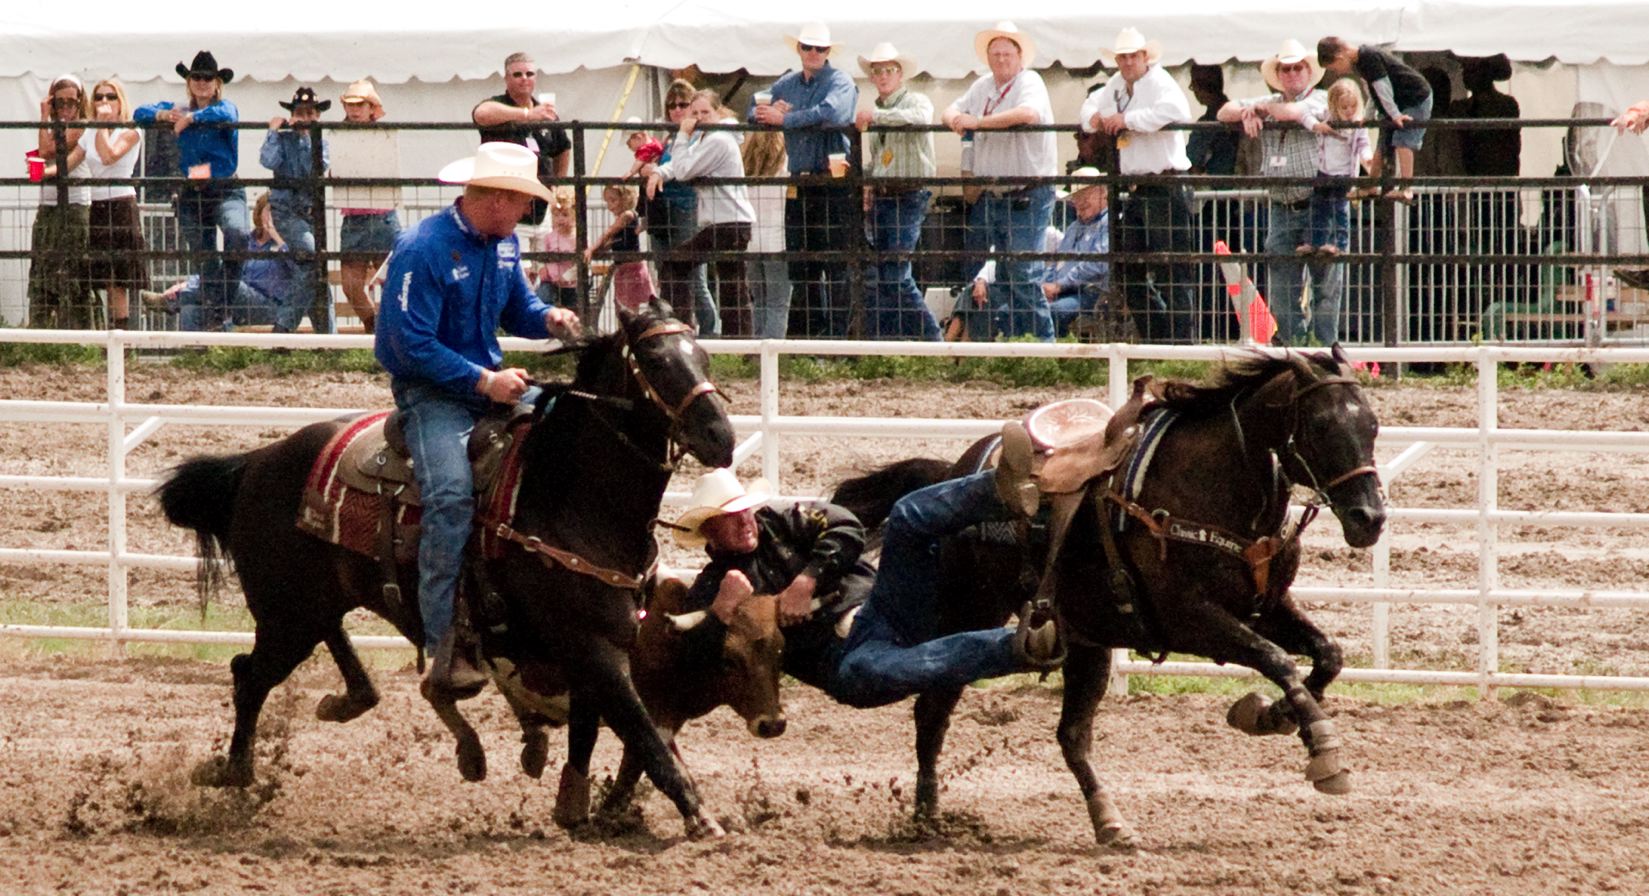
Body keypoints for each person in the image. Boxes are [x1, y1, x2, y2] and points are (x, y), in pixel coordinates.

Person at [374, 143, 583, 693]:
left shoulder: (504, 244)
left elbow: (520, 309)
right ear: (494, 198)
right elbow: (406, 342)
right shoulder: (423, 248)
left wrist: (550, 318)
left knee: (571, 429)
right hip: (433, 396)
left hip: (486, 388)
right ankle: (442, 639)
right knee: (449, 495)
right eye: (520, 202)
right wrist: (483, 381)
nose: (524, 214)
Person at [668, 469, 872, 691]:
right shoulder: (711, 586)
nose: (744, 521)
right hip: (832, 657)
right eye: (729, 516)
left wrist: (807, 579)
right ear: (709, 530)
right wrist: (721, 610)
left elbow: (846, 525)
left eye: (745, 510)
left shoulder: (782, 522)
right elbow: (694, 661)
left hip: (869, 603)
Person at [1216, 38, 1345, 346]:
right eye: (1285, 69)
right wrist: (1251, 109)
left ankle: (1326, 350)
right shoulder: (1271, 101)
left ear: (1307, 71)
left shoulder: (1323, 100)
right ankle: (1293, 348)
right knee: (1282, 287)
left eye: (1297, 68)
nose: (1291, 74)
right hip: (1282, 204)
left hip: (1318, 202)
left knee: (1325, 283)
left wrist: (1259, 109)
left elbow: (1293, 112)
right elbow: (1224, 111)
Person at [941, 21, 1058, 342]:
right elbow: (950, 109)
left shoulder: (1030, 81)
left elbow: (1029, 114)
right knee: (1004, 273)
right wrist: (955, 119)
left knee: (1021, 272)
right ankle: (1018, 343)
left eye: (1007, 53)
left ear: (1019, 57)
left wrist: (977, 123)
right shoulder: (983, 86)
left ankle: (1042, 346)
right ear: (988, 58)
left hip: (1026, 192)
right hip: (995, 193)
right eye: (996, 54)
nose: (1001, 59)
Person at [1081, 27, 1196, 344]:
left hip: (1165, 183)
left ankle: (1181, 344)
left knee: (1173, 271)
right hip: (1137, 188)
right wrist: (1101, 118)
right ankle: (1160, 337)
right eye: (1124, 56)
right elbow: (1090, 107)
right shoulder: (1116, 85)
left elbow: (1176, 111)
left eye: (1134, 56)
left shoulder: (1160, 82)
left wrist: (1126, 119)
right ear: (1117, 60)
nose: (1129, 61)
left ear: (1145, 57)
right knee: (1125, 267)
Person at [750, 22, 858, 338]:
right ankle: (813, 336)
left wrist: (783, 118)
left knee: (835, 264)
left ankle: (837, 340)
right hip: (801, 181)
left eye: (819, 48)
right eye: (808, 47)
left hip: (832, 181)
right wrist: (765, 113)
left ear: (827, 52)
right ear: (799, 49)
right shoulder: (788, 83)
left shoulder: (840, 80)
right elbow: (753, 104)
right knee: (803, 263)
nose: (813, 53)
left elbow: (833, 113)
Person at [134, 51, 248, 334]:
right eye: (196, 77)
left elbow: (228, 113)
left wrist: (193, 118)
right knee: (205, 255)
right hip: (194, 190)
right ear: (189, 81)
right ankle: (216, 314)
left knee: (237, 234)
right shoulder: (179, 108)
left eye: (207, 77)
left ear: (217, 82)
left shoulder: (223, 108)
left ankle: (216, 307)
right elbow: (139, 113)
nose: (202, 82)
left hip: (223, 187)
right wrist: (163, 114)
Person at [646, 89, 755, 335]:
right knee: (732, 283)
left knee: (677, 262)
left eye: (705, 112)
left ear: (718, 113)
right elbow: (680, 163)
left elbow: (684, 170)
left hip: (726, 222)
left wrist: (683, 136)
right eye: (694, 112)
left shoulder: (717, 140)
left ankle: (680, 328)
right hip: (729, 222)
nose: (699, 117)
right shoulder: (710, 137)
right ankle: (739, 342)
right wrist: (660, 172)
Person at [856, 41, 941, 341]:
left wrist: (874, 118)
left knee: (895, 274)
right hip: (885, 194)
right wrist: (869, 180)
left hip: (908, 193)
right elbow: (879, 157)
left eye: (888, 70)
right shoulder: (878, 111)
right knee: (887, 275)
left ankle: (932, 341)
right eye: (877, 71)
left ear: (900, 74)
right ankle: (900, 342)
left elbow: (919, 118)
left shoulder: (915, 101)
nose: (882, 76)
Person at [142, 191, 296, 331]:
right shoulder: (248, 241)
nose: (274, 217)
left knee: (233, 284)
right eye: (270, 211)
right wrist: (187, 284)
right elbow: (223, 271)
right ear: (260, 212)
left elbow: (299, 267)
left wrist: (277, 236)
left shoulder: (289, 243)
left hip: (267, 307)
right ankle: (194, 356)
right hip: (232, 300)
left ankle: (170, 301)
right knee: (191, 311)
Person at [1317, 37, 1432, 204]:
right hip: (1397, 103)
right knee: (1382, 144)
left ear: (1340, 57)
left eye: (1335, 69)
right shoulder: (1360, 63)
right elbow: (1373, 92)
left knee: (1403, 141)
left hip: (1415, 98)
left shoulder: (1368, 58)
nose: (1338, 73)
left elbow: (1382, 88)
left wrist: (1394, 115)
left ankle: (1406, 188)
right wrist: (1369, 115)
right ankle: (1371, 185)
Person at [261, 86, 332, 333]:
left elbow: (315, 168)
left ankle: (327, 337)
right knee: (313, 261)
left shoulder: (320, 140)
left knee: (314, 267)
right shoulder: (282, 138)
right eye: (300, 113)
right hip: (287, 211)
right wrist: (273, 131)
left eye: (310, 113)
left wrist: (304, 138)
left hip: (312, 214)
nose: (305, 118)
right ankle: (284, 326)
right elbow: (268, 161)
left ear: (317, 116)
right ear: (292, 114)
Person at [471, 51, 570, 226]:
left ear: (536, 77)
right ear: (506, 79)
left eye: (529, 74)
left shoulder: (545, 112)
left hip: (541, 209)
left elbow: (563, 147)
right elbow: (481, 113)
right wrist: (527, 114)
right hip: (506, 210)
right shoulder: (499, 104)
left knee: (544, 253)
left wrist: (559, 183)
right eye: (517, 74)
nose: (524, 78)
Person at [652, 79, 718, 335]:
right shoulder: (669, 137)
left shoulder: (697, 137)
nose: (677, 110)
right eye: (672, 105)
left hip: (688, 207)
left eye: (683, 105)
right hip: (663, 209)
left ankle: (712, 331)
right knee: (665, 273)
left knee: (694, 276)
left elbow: (682, 167)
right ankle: (672, 327)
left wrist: (659, 171)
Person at [335, 79, 401, 333]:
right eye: (350, 105)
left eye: (359, 104)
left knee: (392, 280)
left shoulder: (384, 135)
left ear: (370, 107)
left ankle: (387, 329)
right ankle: (375, 326)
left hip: (381, 214)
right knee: (351, 285)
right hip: (355, 216)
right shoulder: (338, 135)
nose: (354, 110)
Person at [80, 78, 145, 331]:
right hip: (97, 204)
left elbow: (108, 156)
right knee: (105, 278)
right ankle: (108, 336)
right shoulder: (90, 131)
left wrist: (103, 125)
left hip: (120, 204)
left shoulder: (130, 130)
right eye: (98, 97)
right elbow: (73, 160)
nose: (104, 102)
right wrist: (41, 172)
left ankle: (122, 340)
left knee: (119, 279)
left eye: (110, 96)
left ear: (121, 102)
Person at [28, 75, 92, 329]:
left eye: (71, 102)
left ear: (79, 102)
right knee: (43, 263)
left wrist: (45, 120)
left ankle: (77, 331)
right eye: (59, 102)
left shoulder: (83, 124)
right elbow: (44, 150)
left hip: (75, 203)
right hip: (49, 202)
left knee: (75, 264)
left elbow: (48, 150)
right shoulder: (51, 126)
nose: (65, 107)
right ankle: (41, 329)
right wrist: (45, 117)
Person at [1043, 170, 1111, 337]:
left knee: (1053, 312)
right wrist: (1046, 285)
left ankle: (1054, 358)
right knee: (1022, 308)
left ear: (1102, 193)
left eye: (1085, 195)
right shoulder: (1074, 227)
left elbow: (1097, 264)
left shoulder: (1109, 223)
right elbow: (1057, 262)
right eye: (1076, 197)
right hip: (1064, 291)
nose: (1080, 202)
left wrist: (1059, 286)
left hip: (1093, 293)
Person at [1305, 80, 1369, 257]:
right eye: (1344, 107)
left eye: (1352, 107)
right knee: (1318, 208)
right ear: (1334, 106)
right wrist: (1317, 125)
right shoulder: (1326, 117)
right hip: (1324, 170)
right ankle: (1315, 242)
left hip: (1344, 174)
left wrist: (1367, 157)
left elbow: (1363, 143)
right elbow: (1305, 114)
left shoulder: (1357, 125)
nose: (1349, 111)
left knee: (1339, 209)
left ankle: (1339, 244)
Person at [740, 128, 793, 339]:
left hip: (752, 242)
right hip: (777, 240)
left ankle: (757, 346)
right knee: (778, 303)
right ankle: (773, 351)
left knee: (759, 300)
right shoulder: (785, 165)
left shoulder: (746, 168)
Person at [586, 183, 656, 312]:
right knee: (620, 305)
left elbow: (609, 232)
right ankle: (625, 330)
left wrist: (591, 248)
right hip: (622, 267)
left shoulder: (627, 215)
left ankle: (629, 330)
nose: (609, 206)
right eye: (607, 202)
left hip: (632, 267)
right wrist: (599, 250)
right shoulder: (621, 219)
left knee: (629, 306)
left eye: (613, 200)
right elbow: (611, 242)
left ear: (625, 199)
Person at [1186, 64, 1238, 177]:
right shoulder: (1237, 114)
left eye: (1193, 84)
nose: (1193, 89)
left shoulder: (1206, 123)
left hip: (1214, 186)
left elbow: (1192, 161)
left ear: (1203, 85)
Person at [536, 186, 579, 307]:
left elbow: (580, 263)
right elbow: (542, 256)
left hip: (570, 284)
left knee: (571, 307)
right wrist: (542, 268)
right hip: (550, 281)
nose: (560, 219)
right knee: (542, 299)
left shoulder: (577, 238)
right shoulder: (549, 237)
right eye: (556, 215)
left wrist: (567, 277)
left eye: (565, 215)